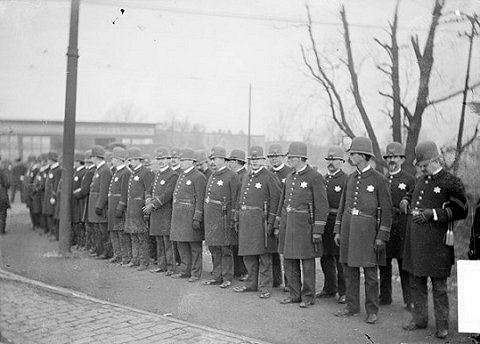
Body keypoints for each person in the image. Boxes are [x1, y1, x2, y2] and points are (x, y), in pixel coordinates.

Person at [401, 141, 468, 339]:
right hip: (416, 243)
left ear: (436, 160)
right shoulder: (420, 180)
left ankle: (442, 326)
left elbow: (461, 210)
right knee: (417, 283)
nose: (422, 167)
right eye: (420, 165)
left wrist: (434, 213)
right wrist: (405, 200)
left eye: (425, 164)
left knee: (439, 287)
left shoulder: (451, 182)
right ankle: (420, 320)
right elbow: (411, 194)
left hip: (438, 244)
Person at [333, 137, 392, 324]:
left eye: (354, 153)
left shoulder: (379, 180)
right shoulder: (351, 178)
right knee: (349, 270)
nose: (351, 156)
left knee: (370, 274)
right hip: (349, 230)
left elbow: (387, 211)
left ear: (364, 156)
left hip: (368, 233)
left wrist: (382, 236)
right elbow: (343, 207)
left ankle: (372, 310)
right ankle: (351, 307)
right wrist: (338, 230)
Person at [276, 142, 329, 308]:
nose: (289, 160)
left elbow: (322, 206)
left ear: (300, 158)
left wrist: (318, 230)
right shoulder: (290, 177)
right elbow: (282, 202)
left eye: (291, 157)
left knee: (307, 263)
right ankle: (294, 294)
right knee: (289, 261)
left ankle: (308, 296)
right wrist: (278, 223)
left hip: (305, 227)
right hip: (289, 224)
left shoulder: (314, 177)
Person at [233, 146, 281, 299]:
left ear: (263, 160)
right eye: (252, 159)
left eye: (257, 159)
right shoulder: (247, 176)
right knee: (248, 255)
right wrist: (237, 217)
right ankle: (251, 284)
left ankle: (265, 287)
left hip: (261, 221)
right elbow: (240, 198)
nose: (254, 162)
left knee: (264, 256)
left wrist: (271, 222)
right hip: (246, 220)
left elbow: (276, 200)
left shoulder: (269, 176)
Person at [379, 142, 415, 309]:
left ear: (402, 159)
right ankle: (385, 296)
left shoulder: (409, 179)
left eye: (395, 157)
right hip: (386, 223)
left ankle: (409, 299)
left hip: (402, 224)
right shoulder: (382, 178)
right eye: (389, 157)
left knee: (403, 263)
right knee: (384, 262)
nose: (392, 160)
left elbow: (414, 202)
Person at [202, 146, 241, 288]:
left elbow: (236, 198)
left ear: (223, 160)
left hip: (224, 218)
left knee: (225, 249)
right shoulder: (212, 175)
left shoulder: (232, 176)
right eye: (211, 159)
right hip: (212, 218)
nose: (212, 162)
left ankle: (227, 277)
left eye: (215, 159)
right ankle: (217, 276)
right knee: (214, 248)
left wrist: (233, 217)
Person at [316, 146, 347, 304]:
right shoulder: (322, 178)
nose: (331, 163)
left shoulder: (345, 179)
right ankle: (329, 288)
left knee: (339, 258)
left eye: (334, 160)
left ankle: (344, 292)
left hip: (337, 220)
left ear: (342, 161)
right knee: (325, 255)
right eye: (329, 160)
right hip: (324, 221)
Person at [170, 148, 206, 281]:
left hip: (190, 216)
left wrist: (197, 216)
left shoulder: (198, 177)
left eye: (185, 160)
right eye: (181, 160)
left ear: (192, 161)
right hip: (179, 216)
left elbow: (200, 199)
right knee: (181, 244)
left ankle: (195, 273)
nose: (182, 162)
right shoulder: (181, 175)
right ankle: (185, 270)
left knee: (194, 246)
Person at [144, 147, 179, 275]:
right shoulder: (158, 174)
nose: (161, 161)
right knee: (159, 240)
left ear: (169, 160)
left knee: (167, 241)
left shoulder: (173, 175)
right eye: (159, 159)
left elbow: (167, 195)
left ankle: (170, 267)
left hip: (165, 213)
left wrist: (152, 205)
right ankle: (161, 265)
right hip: (156, 213)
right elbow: (149, 189)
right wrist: (148, 198)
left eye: (164, 159)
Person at [267, 143, 293, 290]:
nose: (274, 159)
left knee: (286, 252)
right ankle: (275, 280)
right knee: (272, 251)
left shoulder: (289, 173)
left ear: (283, 157)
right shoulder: (268, 173)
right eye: (271, 157)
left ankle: (290, 283)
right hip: (271, 215)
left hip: (285, 217)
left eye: (276, 156)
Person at [124, 147, 154, 271]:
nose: (131, 162)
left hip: (140, 208)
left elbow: (149, 189)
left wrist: (146, 205)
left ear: (138, 160)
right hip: (132, 208)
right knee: (133, 235)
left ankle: (144, 262)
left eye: (133, 160)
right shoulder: (134, 173)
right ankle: (135, 259)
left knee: (141, 236)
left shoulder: (145, 172)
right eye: (130, 160)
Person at [87, 146, 113, 259]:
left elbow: (104, 190)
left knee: (103, 230)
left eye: (92, 157)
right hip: (95, 203)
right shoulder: (100, 169)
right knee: (97, 229)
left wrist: (100, 205)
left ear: (96, 157)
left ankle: (106, 252)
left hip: (99, 205)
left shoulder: (105, 170)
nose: (91, 159)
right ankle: (100, 251)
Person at [227, 149, 248, 281]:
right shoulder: (235, 175)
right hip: (234, 212)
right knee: (234, 243)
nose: (229, 164)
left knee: (242, 244)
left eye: (231, 161)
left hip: (240, 213)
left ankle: (244, 271)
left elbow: (238, 197)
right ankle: (237, 270)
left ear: (236, 162)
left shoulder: (243, 176)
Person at [107, 147, 130, 264]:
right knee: (113, 231)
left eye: (114, 158)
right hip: (112, 205)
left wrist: (121, 206)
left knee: (121, 232)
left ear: (119, 160)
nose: (112, 161)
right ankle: (118, 254)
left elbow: (124, 192)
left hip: (118, 206)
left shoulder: (125, 173)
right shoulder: (117, 172)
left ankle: (125, 257)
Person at [73, 150, 95, 251]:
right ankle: (86, 244)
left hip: (86, 200)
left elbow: (85, 189)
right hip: (85, 200)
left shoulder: (90, 172)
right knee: (86, 224)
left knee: (87, 224)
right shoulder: (89, 171)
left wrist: (76, 194)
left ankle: (88, 245)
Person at [42, 151, 61, 240]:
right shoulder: (52, 169)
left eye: (49, 159)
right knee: (49, 214)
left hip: (52, 197)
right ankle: (51, 232)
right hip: (48, 196)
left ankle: (55, 234)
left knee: (53, 215)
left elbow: (56, 184)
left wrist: (54, 197)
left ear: (52, 160)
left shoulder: (57, 170)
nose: (48, 161)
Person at [0, 156, 10, 234]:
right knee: (2, 212)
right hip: (1, 195)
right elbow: (6, 183)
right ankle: (1, 230)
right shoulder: (2, 171)